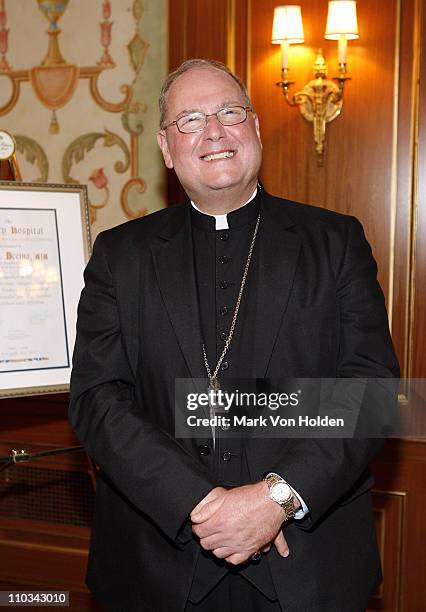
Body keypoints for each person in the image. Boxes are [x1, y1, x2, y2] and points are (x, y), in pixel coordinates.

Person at [69, 59, 399, 612]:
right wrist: (199, 502)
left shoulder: (334, 242)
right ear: (166, 149)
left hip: (306, 569)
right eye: (191, 120)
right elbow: (98, 399)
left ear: (256, 128)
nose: (214, 132)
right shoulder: (119, 254)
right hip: (156, 567)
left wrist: (275, 498)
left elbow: (370, 391)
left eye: (230, 112)